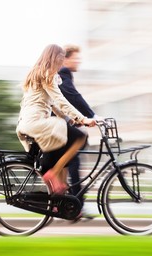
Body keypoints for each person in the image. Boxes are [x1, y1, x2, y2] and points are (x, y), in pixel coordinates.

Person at [16, 44, 96, 195]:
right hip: (37, 122)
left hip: (28, 123)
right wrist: (83, 119)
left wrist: (71, 120)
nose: (62, 63)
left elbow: (53, 105)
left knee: (63, 144)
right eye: (61, 58)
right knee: (80, 136)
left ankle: (57, 200)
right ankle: (52, 175)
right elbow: (60, 100)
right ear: (55, 58)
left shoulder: (37, 74)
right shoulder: (48, 75)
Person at [58, 45, 98, 201]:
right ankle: (77, 201)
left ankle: (67, 201)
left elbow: (67, 102)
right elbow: (74, 97)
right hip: (53, 125)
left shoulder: (62, 74)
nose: (79, 61)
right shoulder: (62, 73)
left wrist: (79, 119)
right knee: (76, 152)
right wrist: (91, 115)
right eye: (76, 58)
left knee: (70, 158)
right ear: (65, 59)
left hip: (62, 123)